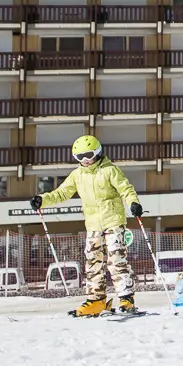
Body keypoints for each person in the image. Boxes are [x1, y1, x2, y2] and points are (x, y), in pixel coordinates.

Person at [32, 134, 144, 316]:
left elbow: (126, 188)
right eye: (80, 157)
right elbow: (62, 193)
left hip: (113, 220)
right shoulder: (77, 175)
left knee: (116, 260)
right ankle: (96, 300)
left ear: (98, 152)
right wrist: (42, 200)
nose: (86, 160)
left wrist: (133, 203)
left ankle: (126, 299)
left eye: (89, 155)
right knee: (93, 261)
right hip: (93, 224)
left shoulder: (109, 170)